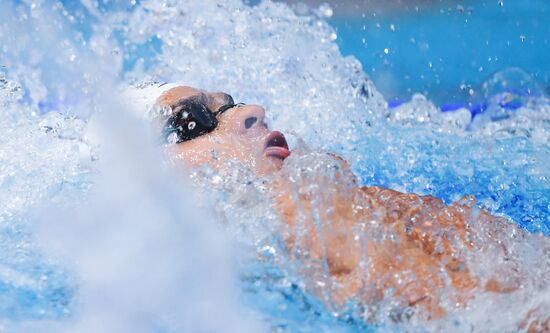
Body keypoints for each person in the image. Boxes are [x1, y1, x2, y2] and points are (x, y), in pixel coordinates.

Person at [142, 84, 548, 330]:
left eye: (231, 103)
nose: (253, 111)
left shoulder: (351, 197)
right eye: (191, 121)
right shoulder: (300, 205)